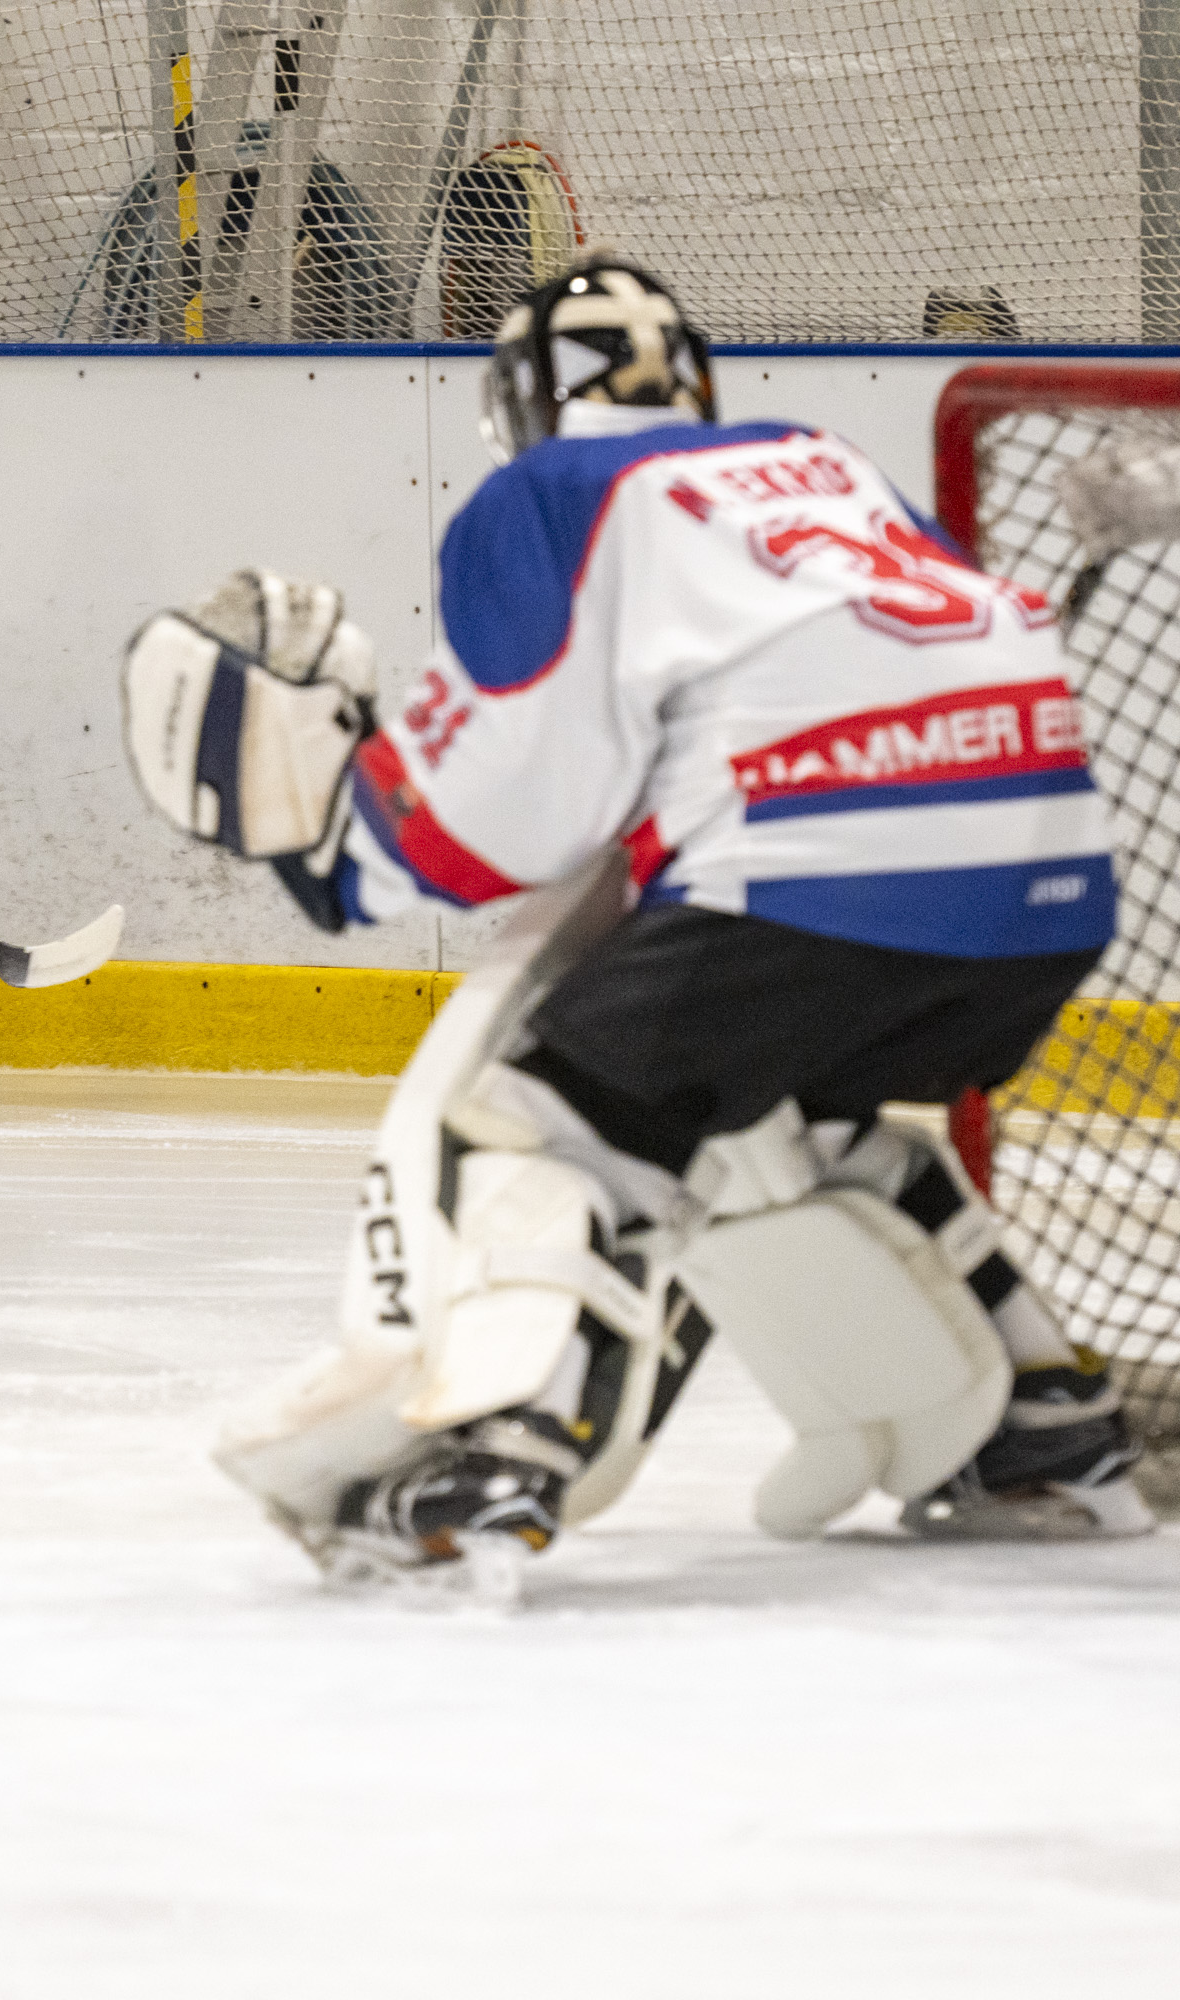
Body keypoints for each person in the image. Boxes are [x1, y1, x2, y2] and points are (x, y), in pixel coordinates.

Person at [122, 255, 1148, 1592]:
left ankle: (499, 1450)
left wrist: (334, 848)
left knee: (543, 1127)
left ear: (523, 403)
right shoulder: (812, 458)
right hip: (1049, 880)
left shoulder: (551, 491)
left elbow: (514, 804)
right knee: (799, 1114)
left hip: (821, 862)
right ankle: (1041, 1431)